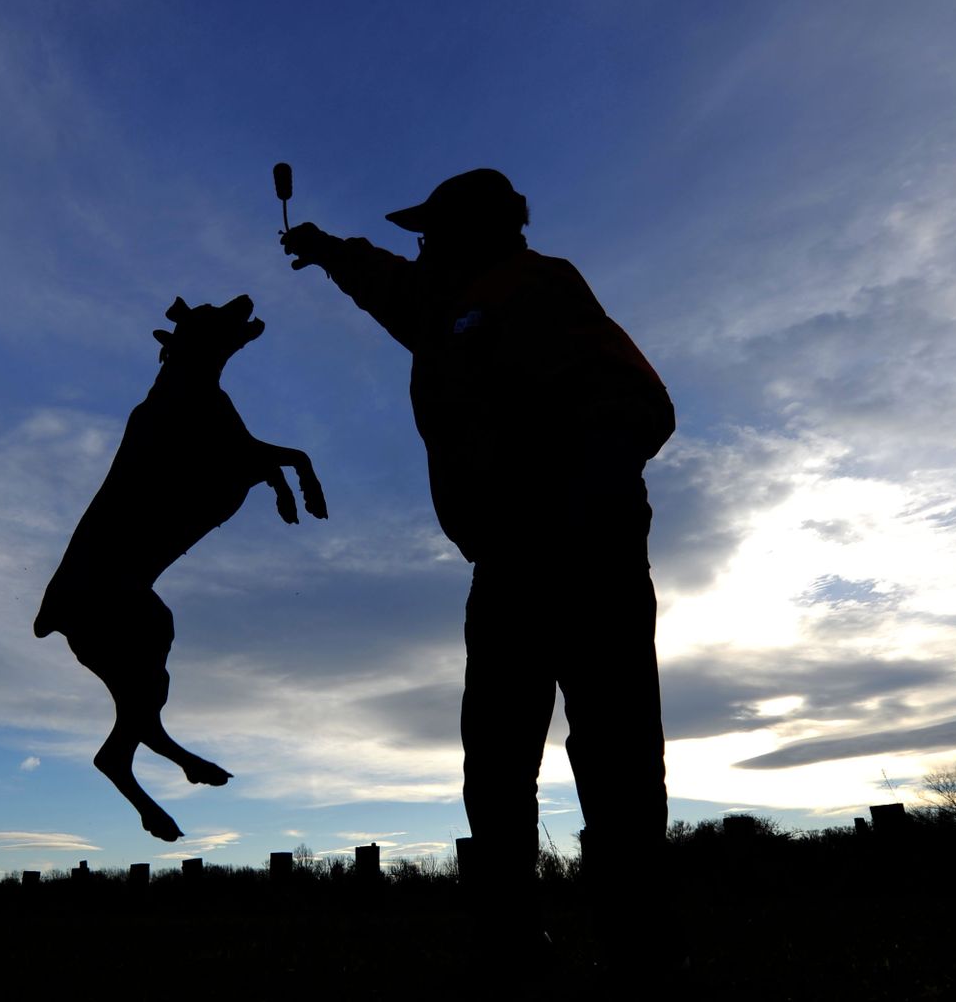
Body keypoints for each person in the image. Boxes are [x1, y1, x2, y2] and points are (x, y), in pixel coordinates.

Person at [281, 169, 677, 973]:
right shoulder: (443, 303)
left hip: (581, 553)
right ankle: (510, 938)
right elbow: (387, 281)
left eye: (433, 229)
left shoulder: (539, 287)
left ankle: (635, 946)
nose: (420, 243)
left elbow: (635, 401)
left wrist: (578, 500)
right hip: (505, 562)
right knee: (497, 763)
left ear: (481, 228)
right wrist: (324, 249)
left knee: (614, 753)